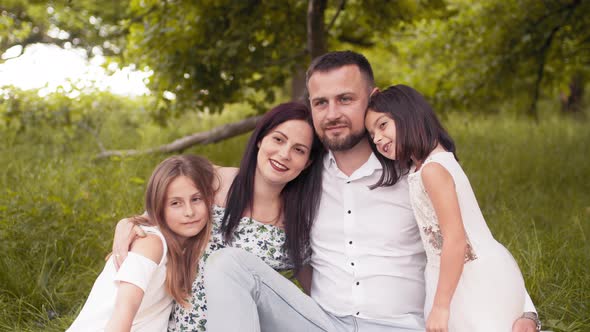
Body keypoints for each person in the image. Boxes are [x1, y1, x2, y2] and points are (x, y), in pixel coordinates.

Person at [203, 51, 541, 332]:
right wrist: (157, 218)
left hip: (404, 325)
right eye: (320, 103)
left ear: (373, 98)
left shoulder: (415, 172)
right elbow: (247, 180)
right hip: (323, 323)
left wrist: (525, 311)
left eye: (345, 99)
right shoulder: (303, 171)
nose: (332, 113)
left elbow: (471, 239)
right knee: (227, 264)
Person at [112, 102, 325, 331]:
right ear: (261, 139)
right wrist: (127, 223)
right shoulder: (215, 182)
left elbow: (311, 298)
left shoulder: (299, 220)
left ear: (307, 163)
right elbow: (161, 211)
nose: (284, 154)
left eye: (299, 150)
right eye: (279, 139)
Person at [365, 84, 531, 331]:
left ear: (409, 115)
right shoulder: (426, 165)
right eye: (371, 134)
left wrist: (441, 306)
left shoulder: (432, 170)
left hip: (470, 278)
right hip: (456, 272)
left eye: (382, 125)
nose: (377, 138)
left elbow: (455, 240)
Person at [68, 154, 215, 331]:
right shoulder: (151, 243)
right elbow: (123, 312)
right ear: (158, 208)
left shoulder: (186, 247)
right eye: (176, 203)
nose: (189, 212)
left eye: (196, 199)